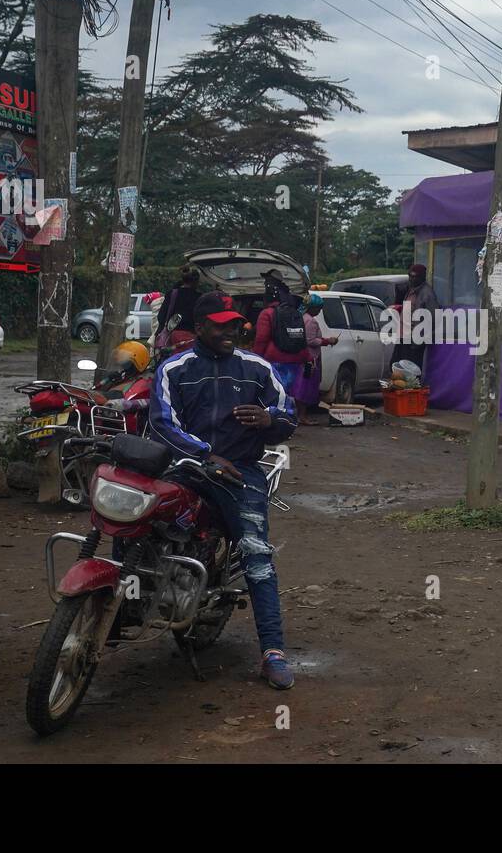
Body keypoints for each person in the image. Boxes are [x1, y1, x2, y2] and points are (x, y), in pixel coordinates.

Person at [150, 291, 298, 689]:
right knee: (139, 520)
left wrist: (269, 419)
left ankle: (273, 652)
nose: (232, 329)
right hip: (187, 469)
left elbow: (289, 414)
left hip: (241, 474)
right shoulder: (173, 368)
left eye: (234, 323)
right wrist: (205, 455)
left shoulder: (257, 367)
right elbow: (163, 423)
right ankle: (115, 611)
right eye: (221, 324)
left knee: (256, 554)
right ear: (200, 327)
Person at [251, 271, 310, 404]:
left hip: (275, 362)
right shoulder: (295, 313)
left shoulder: (267, 314)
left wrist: (255, 360)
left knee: (274, 396)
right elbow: (302, 338)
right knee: (288, 394)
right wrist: (306, 358)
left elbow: (261, 340)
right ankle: (287, 419)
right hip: (295, 362)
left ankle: (276, 420)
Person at [294, 293, 338, 425]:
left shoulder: (301, 317)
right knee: (305, 389)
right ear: (312, 308)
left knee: (299, 388)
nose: (319, 311)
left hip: (302, 357)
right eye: (318, 308)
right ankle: (303, 416)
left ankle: (299, 415)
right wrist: (327, 341)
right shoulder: (311, 321)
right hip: (310, 359)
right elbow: (310, 340)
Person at [389, 263, 439, 372]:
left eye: (414, 276)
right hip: (403, 339)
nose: (411, 279)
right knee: (395, 368)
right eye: (410, 276)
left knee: (410, 373)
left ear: (422, 277)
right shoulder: (411, 290)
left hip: (414, 341)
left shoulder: (427, 294)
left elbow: (433, 317)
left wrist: (419, 338)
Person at [155, 265, 201, 355]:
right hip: (192, 337)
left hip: (172, 336)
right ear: (196, 281)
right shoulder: (199, 297)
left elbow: (161, 316)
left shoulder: (172, 294)